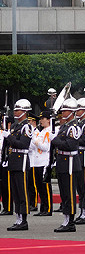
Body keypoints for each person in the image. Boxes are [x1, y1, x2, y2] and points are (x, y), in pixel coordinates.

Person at [51, 97, 82, 232]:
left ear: (72, 112)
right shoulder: (64, 126)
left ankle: (70, 221)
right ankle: (66, 218)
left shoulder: (74, 127)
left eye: (65, 110)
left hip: (70, 162)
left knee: (69, 193)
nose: (63, 113)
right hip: (62, 161)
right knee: (64, 193)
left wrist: (55, 140)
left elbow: (70, 145)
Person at [5, 98, 35, 231]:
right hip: (14, 160)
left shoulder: (27, 127)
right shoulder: (15, 126)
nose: (15, 112)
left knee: (22, 191)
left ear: (24, 112)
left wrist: (9, 137)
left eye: (18, 110)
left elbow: (23, 144)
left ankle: (23, 220)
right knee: (16, 192)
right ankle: (18, 218)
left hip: (21, 160)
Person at [31, 111, 53, 216]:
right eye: (40, 119)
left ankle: (48, 209)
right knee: (39, 187)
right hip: (37, 162)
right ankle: (43, 208)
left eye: (43, 119)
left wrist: (36, 141)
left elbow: (46, 147)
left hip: (44, 161)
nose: (41, 121)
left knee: (45, 187)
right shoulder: (42, 131)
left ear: (48, 120)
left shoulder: (49, 131)